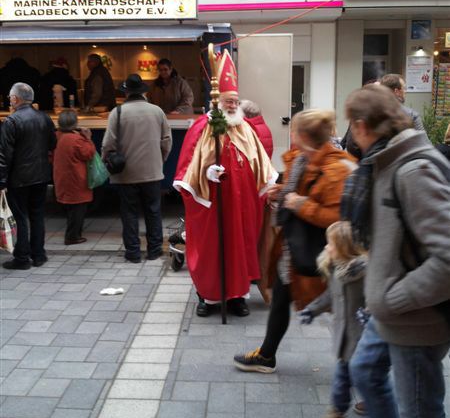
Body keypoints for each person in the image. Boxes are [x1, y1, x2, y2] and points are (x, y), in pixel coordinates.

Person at [346, 84, 450, 418]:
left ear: (361, 126)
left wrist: (393, 298)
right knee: (366, 371)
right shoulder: (386, 161)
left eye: (350, 128)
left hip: (416, 320)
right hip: (390, 311)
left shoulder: (412, 170)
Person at [233, 109, 355, 367]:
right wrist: (281, 192)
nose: (290, 134)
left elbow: (337, 216)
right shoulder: (302, 159)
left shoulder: (337, 169)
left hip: (325, 254)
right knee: (280, 296)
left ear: (302, 135)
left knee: (345, 310)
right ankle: (267, 354)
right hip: (297, 248)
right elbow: (298, 191)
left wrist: (300, 204)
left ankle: (363, 372)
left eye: (294, 130)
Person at [174, 50, 277, 317]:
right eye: (228, 102)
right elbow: (187, 168)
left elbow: (261, 164)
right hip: (212, 205)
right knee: (212, 250)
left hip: (242, 204)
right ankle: (207, 297)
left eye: (235, 102)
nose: (232, 106)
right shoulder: (202, 127)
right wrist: (206, 174)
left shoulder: (246, 129)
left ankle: (236, 298)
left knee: (240, 249)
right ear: (218, 102)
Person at [299, 221, 367, 418]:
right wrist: (312, 309)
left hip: (363, 335)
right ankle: (367, 400)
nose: (326, 248)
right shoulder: (337, 269)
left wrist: (369, 314)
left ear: (346, 248)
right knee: (354, 374)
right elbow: (330, 295)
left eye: (331, 244)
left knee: (348, 377)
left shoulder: (365, 274)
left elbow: (377, 298)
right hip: (344, 335)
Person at [102, 74, 172, 263]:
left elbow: (108, 144)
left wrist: (107, 162)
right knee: (153, 211)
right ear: (143, 92)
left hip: (126, 173)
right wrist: (160, 160)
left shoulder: (116, 113)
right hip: (152, 171)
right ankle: (154, 250)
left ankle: (133, 252)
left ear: (126, 93)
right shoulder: (157, 111)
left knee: (129, 213)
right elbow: (166, 141)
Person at [0, 83, 56, 269]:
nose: (10, 100)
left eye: (10, 97)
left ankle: (22, 258)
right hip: (41, 175)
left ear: (16, 99)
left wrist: (1, 180)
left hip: (19, 178)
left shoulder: (11, 122)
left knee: (20, 217)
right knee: (37, 215)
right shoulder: (44, 118)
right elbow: (52, 143)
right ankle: (39, 255)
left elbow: (4, 155)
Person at [53, 110, 96, 245]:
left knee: (70, 208)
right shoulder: (76, 139)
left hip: (61, 177)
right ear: (74, 123)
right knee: (78, 209)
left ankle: (74, 234)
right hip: (76, 179)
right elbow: (88, 154)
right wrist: (88, 138)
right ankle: (72, 237)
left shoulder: (56, 136)